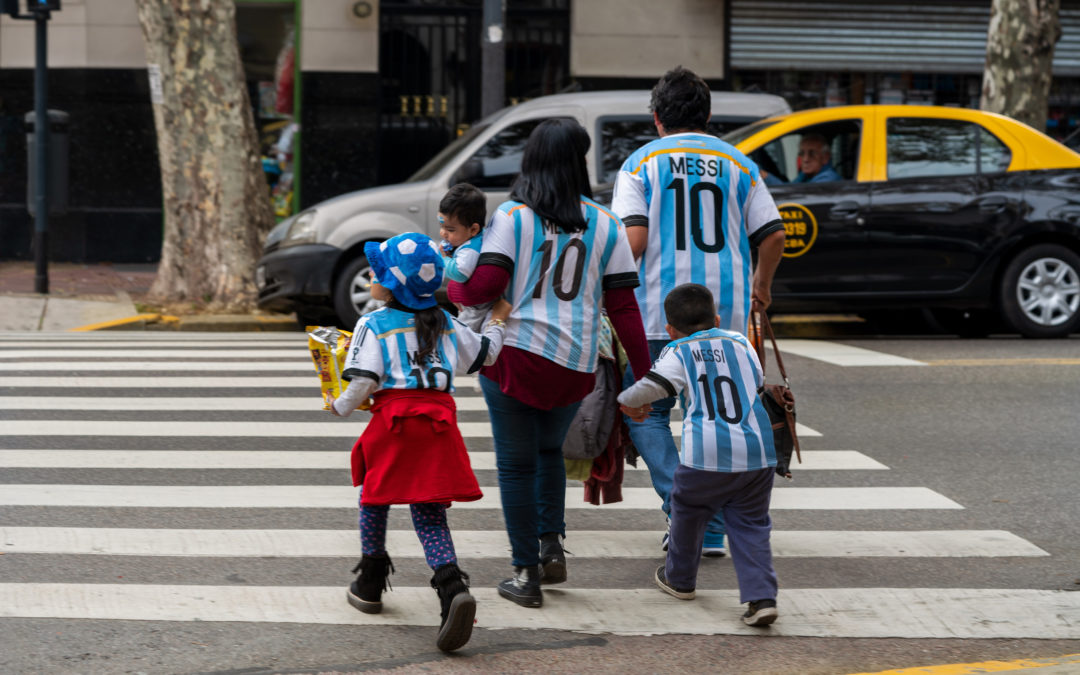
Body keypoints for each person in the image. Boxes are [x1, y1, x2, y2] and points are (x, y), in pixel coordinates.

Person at [448, 118, 651, 608]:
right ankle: (550, 545)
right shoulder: (606, 222)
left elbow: (481, 288)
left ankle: (525, 574)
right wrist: (645, 380)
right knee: (548, 453)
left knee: (515, 466)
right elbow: (624, 307)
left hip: (514, 358)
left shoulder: (512, 217)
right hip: (576, 364)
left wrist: (452, 279)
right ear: (579, 161)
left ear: (531, 159)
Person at [611, 66, 786, 558]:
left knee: (645, 412)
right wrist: (761, 287)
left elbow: (634, 238)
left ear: (657, 118)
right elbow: (773, 234)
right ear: (708, 116)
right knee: (710, 414)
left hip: (656, 311)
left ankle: (686, 509)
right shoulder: (740, 164)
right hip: (724, 315)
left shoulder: (640, 164)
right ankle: (708, 528)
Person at [328, 232, 512, 652]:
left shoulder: (373, 324)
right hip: (438, 426)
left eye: (377, 272)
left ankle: (371, 580)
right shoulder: (445, 321)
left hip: (394, 425)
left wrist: (339, 406)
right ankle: (452, 588)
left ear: (392, 284)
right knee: (429, 513)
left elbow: (363, 381)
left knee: (374, 497)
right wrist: (498, 319)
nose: (371, 278)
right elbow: (484, 354)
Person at [618, 283, 780, 627]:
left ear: (669, 329)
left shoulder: (677, 350)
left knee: (687, 510)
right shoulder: (741, 342)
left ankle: (679, 579)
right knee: (751, 524)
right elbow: (757, 381)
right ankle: (761, 597)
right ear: (717, 319)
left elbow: (652, 387)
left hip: (707, 454)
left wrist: (627, 401)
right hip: (758, 451)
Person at [438, 182, 492, 331]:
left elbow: (460, 273)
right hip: (476, 303)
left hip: (475, 310)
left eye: (450, 230)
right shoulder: (477, 238)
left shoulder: (470, 249)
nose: (443, 233)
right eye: (441, 227)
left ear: (473, 229)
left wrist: (443, 259)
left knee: (465, 335)